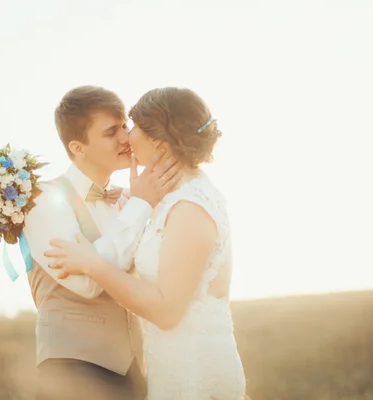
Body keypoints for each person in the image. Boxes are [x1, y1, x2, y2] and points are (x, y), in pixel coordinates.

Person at [46, 87, 247, 399]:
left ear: (157, 140)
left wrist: (92, 263)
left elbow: (167, 311)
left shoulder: (191, 206)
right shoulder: (172, 200)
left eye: (132, 127)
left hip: (194, 370)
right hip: (172, 365)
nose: (127, 138)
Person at [22, 85, 182, 400]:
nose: (126, 137)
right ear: (78, 148)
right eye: (112, 132)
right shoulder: (42, 201)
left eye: (125, 125)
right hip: (72, 372)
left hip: (134, 370)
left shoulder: (128, 200)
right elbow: (87, 284)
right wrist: (141, 205)